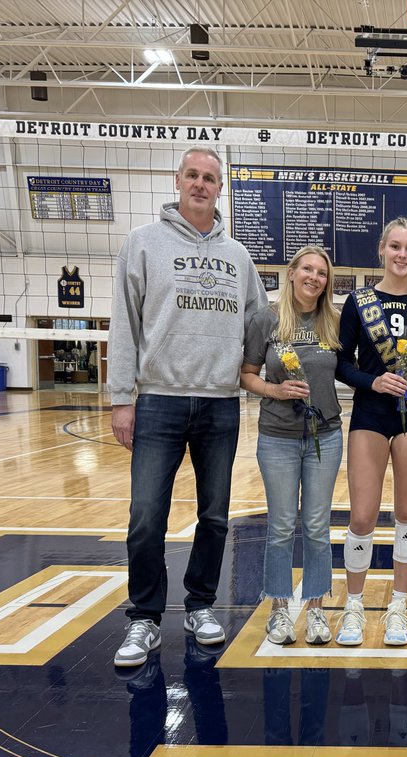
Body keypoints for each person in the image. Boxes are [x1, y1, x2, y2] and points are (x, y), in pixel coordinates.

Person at [109, 147, 267, 667]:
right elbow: (124, 323)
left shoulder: (238, 256)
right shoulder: (142, 243)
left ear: (221, 189)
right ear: (177, 180)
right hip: (159, 400)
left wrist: (255, 371)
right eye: (193, 175)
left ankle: (200, 605)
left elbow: (260, 322)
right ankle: (145, 618)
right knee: (145, 517)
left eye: (210, 178)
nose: (201, 184)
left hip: (220, 403)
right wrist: (121, 399)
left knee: (215, 516)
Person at [335, 217, 407, 646]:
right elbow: (341, 364)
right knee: (362, 515)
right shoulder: (358, 301)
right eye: (395, 246)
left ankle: (398, 606)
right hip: (371, 413)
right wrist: (373, 381)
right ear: (382, 249)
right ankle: (354, 606)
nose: (402, 255)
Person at [240, 246, 343, 644]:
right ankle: (280, 609)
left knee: (317, 526)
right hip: (277, 436)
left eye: (322, 272)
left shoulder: (333, 321)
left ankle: (315, 609)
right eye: (308, 269)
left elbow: (353, 365)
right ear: (292, 273)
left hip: (325, 436)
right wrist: (275, 390)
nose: (314, 277)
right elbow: (247, 374)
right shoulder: (266, 319)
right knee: (281, 526)